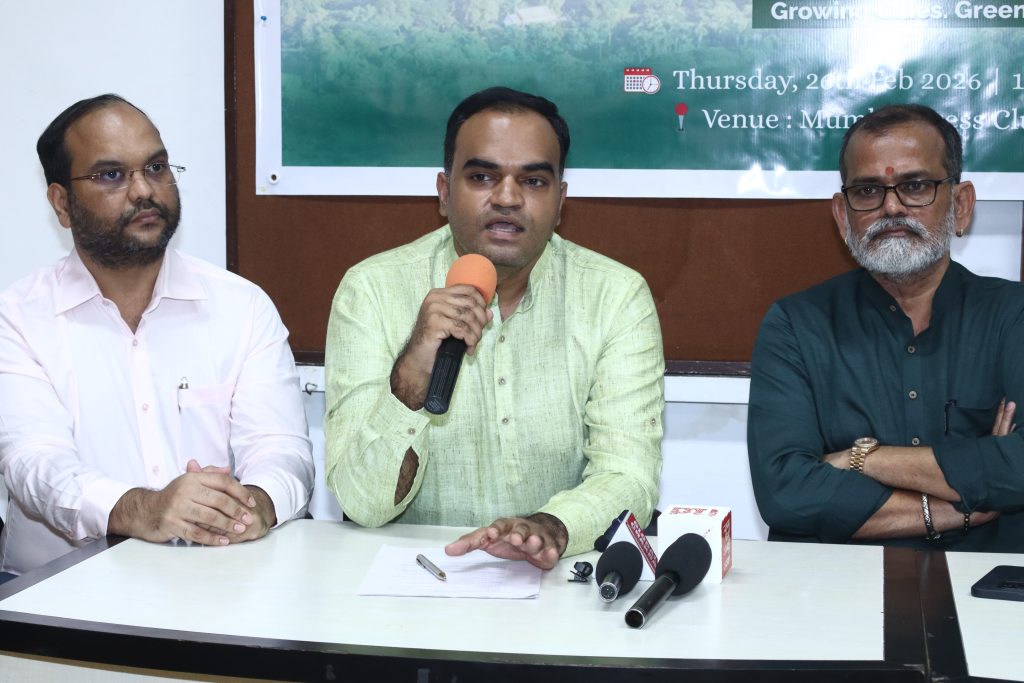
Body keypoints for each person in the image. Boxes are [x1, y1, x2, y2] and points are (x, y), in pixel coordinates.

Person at [324, 86, 664, 569]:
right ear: (444, 192)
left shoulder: (615, 296)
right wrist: (414, 370)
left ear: (561, 200)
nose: (507, 198)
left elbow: (629, 474)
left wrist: (551, 526)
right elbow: (364, 505)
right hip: (409, 586)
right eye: (482, 176)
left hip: (557, 581)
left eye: (534, 181)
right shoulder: (372, 291)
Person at [0, 95, 314, 579]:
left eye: (156, 167)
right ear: (62, 203)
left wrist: (255, 503)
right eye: (111, 175)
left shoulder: (241, 306)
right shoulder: (17, 318)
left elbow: (282, 449)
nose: (144, 190)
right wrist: (142, 509)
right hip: (56, 601)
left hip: (216, 587)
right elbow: (34, 463)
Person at [747, 103, 1024, 551]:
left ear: (961, 204)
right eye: (868, 191)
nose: (891, 206)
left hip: (990, 595)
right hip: (838, 598)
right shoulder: (796, 326)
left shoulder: (1013, 316)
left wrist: (864, 459)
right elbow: (786, 493)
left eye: (916, 186)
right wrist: (963, 503)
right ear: (842, 215)